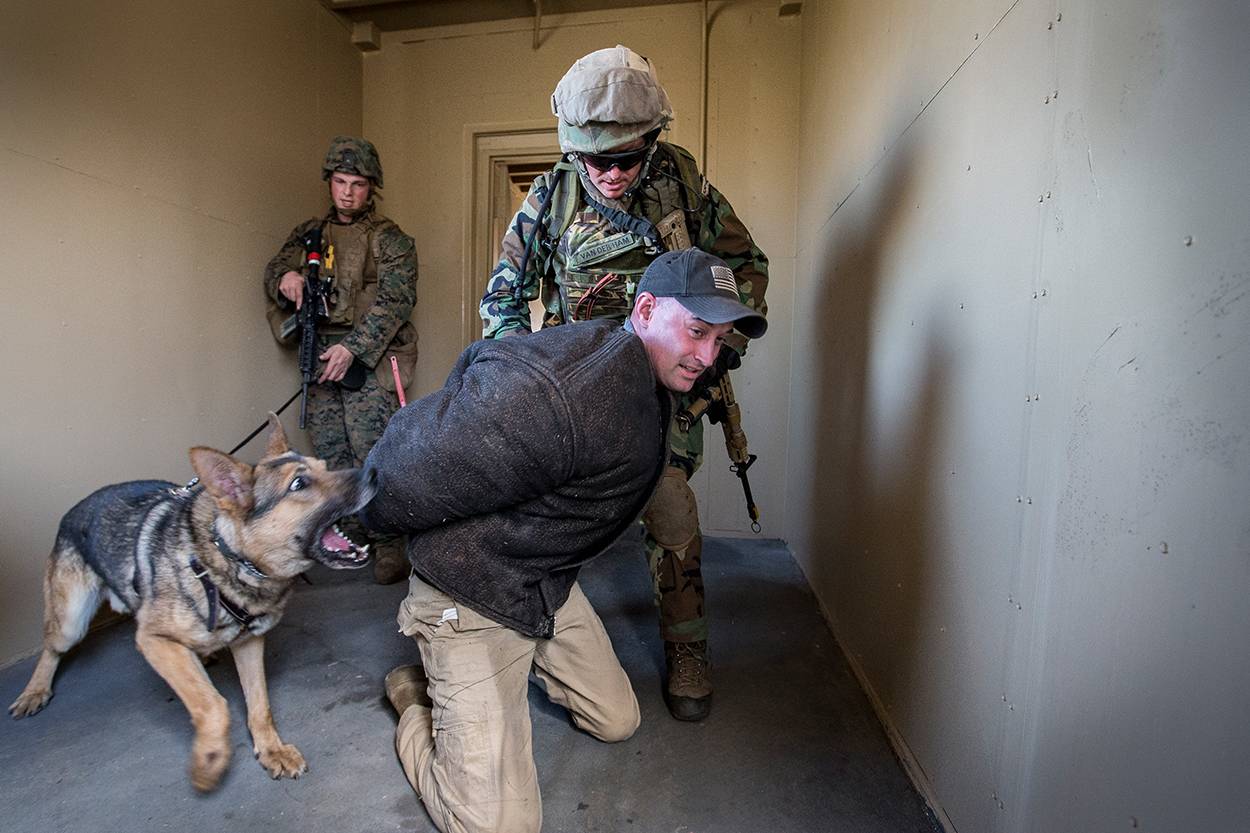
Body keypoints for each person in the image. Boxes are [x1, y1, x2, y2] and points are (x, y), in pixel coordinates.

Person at [368, 248, 766, 833]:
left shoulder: (644, 371)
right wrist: (362, 514)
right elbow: (408, 464)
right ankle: (414, 700)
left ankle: (504, 675)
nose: (707, 357)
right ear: (646, 310)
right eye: (697, 331)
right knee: (500, 828)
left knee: (617, 720)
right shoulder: (566, 391)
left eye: (719, 340)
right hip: (471, 592)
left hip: (541, 582)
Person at [478, 45, 769, 720]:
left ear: (651, 143)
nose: (610, 174)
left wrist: (713, 351)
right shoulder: (551, 196)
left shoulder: (682, 185)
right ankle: (524, 639)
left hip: (665, 388)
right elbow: (503, 299)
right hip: (576, 387)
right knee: (545, 515)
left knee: (670, 509)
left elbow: (747, 269)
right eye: (595, 160)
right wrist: (524, 375)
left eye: (627, 159)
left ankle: (687, 646)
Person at [263, 136, 418, 584]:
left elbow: (396, 300)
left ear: (371, 188)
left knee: (375, 450)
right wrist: (286, 277)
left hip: (367, 359)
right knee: (330, 452)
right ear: (329, 183)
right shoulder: (309, 234)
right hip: (319, 357)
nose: (347, 193)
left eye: (358, 184)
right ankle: (352, 533)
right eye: (340, 182)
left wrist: (353, 348)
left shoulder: (389, 239)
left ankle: (390, 542)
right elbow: (274, 269)